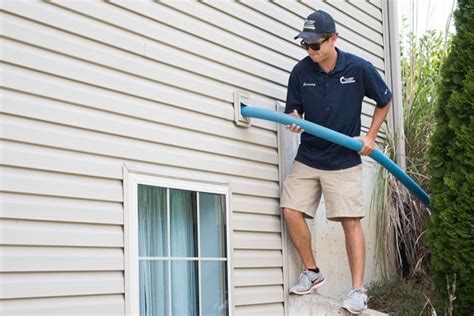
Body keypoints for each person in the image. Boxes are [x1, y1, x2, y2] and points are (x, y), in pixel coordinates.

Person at [281, 10, 393, 314]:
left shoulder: (358, 68)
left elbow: (384, 100)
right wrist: (293, 119)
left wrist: (370, 137)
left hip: (343, 158)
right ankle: (312, 271)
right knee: (291, 210)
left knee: (349, 221)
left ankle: (358, 291)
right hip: (309, 154)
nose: (310, 51)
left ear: (333, 39)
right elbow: (294, 109)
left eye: (315, 45)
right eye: (305, 45)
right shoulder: (300, 72)